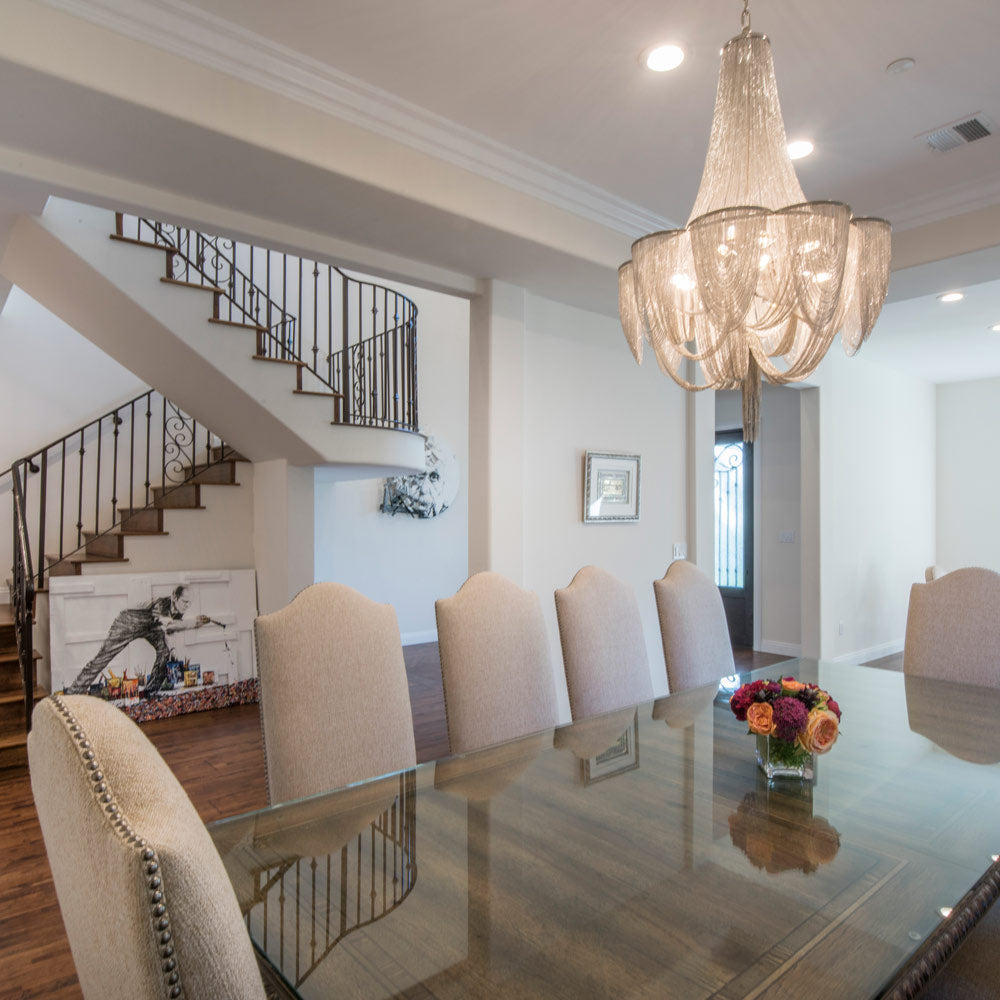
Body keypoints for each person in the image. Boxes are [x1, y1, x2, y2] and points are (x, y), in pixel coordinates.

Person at [66, 585, 210, 697]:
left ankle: (151, 692)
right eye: (184, 602)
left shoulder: (178, 611)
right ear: (174, 596)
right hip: (129, 623)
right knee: (102, 658)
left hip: (152, 627)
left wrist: (171, 650)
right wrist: (194, 623)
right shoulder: (161, 604)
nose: (186, 606)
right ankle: (73, 692)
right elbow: (168, 624)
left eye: (189, 603)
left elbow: (167, 633)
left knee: (165, 653)